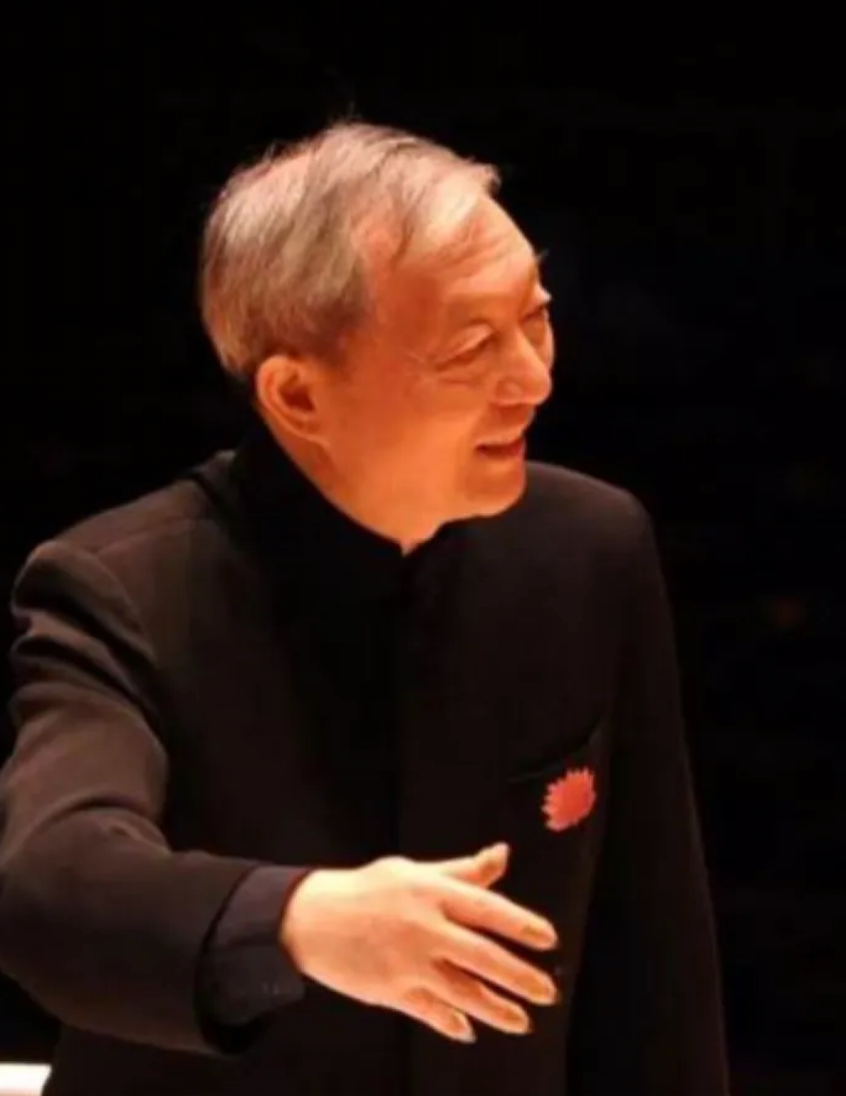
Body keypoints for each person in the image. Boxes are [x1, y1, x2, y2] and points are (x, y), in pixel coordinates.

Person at [0, 120, 729, 1095]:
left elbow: (655, 971)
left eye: (535, 317)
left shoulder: (590, 549)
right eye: (472, 346)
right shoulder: (121, 588)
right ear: (298, 396)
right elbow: (48, 885)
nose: (534, 379)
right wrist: (295, 920)